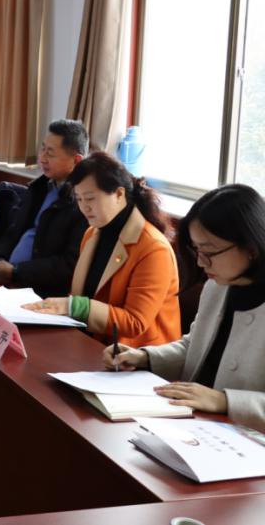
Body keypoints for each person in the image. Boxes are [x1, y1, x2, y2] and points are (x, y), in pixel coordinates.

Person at [106, 185, 265, 431]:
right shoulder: (217, 286)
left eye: (209, 251)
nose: (200, 262)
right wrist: (145, 358)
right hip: (194, 425)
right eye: (197, 250)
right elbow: (195, 347)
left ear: (251, 249)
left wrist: (224, 400)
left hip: (245, 439)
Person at [24, 152, 180, 346]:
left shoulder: (153, 248)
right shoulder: (92, 233)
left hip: (135, 353)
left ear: (119, 194)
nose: (84, 207)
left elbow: (135, 322)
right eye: (79, 199)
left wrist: (74, 307)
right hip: (93, 340)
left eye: (90, 199)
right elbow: (82, 296)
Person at [0, 119, 90, 296]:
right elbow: (12, 231)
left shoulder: (83, 204)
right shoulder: (38, 188)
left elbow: (68, 264)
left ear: (76, 160)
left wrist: (17, 272)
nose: (42, 158)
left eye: (50, 153)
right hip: (6, 281)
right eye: (42, 149)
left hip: (39, 293)